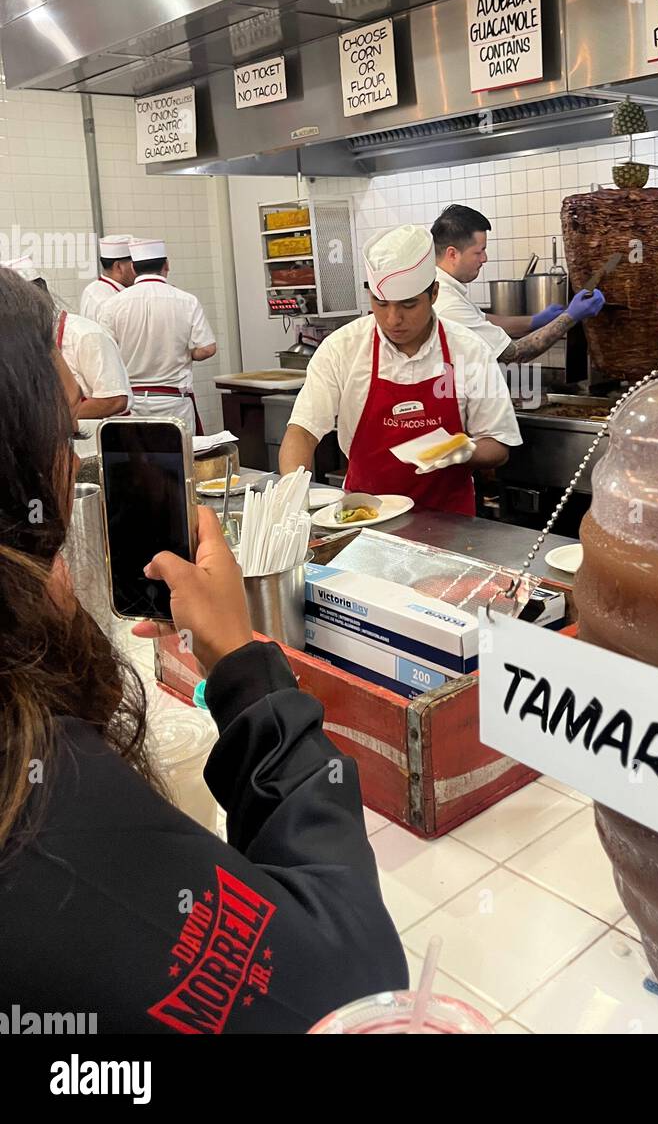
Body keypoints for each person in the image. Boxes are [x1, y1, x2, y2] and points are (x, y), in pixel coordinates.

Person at [0, 266, 407, 1032]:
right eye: (60, 435)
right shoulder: (33, 795)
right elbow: (349, 987)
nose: (71, 464)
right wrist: (244, 665)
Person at [279, 225, 521, 516]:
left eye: (408, 304)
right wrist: (292, 499)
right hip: (364, 517)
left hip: (451, 522)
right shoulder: (343, 348)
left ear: (433, 293)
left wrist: (465, 450)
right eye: (381, 304)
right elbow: (302, 432)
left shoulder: (469, 350)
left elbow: (498, 444)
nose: (393, 319)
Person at [432, 205, 605, 362]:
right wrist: (570, 317)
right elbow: (513, 354)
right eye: (479, 251)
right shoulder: (448, 303)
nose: (485, 259)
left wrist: (536, 320)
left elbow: (488, 321)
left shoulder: (447, 289)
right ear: (452, 254)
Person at [2, 256, 132, 456]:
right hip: (51, 449)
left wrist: (46, 418)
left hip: (99, 449)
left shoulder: (86, 335)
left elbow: (115, 400)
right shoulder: (19, 344)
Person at [102, 238, 217, 435]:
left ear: (134, 269)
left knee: (138, 463)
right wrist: (186, 353)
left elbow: (106, 353)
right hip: (174, 403)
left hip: (132, 403)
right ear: (166, 265)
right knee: (181, 462)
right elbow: (207, 348)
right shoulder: (186, 301)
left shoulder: (112, 304)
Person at [79, 233, 135, 322]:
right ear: (118, 267)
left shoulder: (93, 289)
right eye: (134, 265)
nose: (137, 270)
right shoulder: (104, 300)